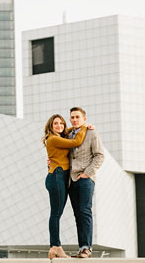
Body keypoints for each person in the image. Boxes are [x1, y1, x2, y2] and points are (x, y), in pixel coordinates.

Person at [43, 114, 88, 260]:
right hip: (57, 176)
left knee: (57, 213)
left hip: (60, 176)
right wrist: (84, 127)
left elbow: (67, 132)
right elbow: (76, 141)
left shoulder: (58, 137)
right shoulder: (54, 138)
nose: (59, 126)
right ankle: (55, 246)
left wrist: (74, 127)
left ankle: (55, 246)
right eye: (56, 124)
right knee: (55, 213)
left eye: (62, 124)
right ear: (51, 125)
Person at [66, 106, 104, 258]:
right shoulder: (68, 135)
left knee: (84, 211)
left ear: (84, 119)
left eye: (77, 117)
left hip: (85, 179)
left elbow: (99, 156)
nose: (75, 119)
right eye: (72, 117)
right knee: (77, 215)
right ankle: (82, 248)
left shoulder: (92, 132)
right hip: (71, 180)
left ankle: (87, 248)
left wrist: (87, 174)